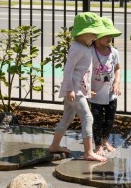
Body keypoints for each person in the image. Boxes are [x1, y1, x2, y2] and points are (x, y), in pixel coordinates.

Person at [49, 12, 108, 162]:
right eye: (92, 34)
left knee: (67, 118)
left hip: (77, 91)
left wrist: (88, 90)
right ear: (82, 33)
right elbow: (68, 70)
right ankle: (88, 152)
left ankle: (54, 145)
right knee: (87, 118)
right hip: (74, 91)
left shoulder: (84, 47)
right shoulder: (77, 48)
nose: (95, 37)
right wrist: (70, 90)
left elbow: (82, 73)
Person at [89, 17, 122, 155]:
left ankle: (105, 140)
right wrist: (87, 88)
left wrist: (116, 83)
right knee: (97, 121)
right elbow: (85, 70)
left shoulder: (114, 52)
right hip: (95, 94)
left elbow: (118, 69)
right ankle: (98, 146)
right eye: (105, 35)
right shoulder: (89, 51)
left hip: (110, 93)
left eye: (110, 35)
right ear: (96, 36)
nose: (109, 38)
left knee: (110, 119)